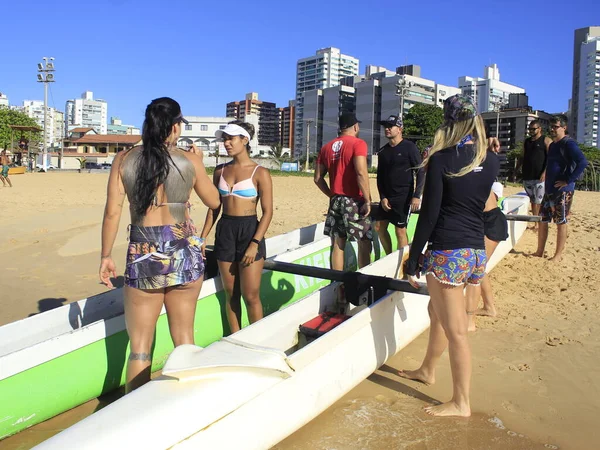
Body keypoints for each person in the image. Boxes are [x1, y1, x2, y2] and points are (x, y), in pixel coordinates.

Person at [99, 97, 220, 393]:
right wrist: (200, 165)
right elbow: (215, 201)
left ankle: (134, 415)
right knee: (185, 340)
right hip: (183, 248)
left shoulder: (124, 159)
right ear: (175, 126)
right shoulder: (189, 160)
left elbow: (113, 211)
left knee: (140, 347)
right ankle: (186, 406)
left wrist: (105, 256)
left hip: (144, 251)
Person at [400, 94, 499, 417]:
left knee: (456, 331)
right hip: (474, 252)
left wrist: (414, 258)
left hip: (447, 252)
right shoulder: (491, 159)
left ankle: (461, 403)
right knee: (436, 310)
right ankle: (428, 370)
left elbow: (429, 215)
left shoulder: (442, 159)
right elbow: (482, 205)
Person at [200, 121, 273, 334]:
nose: (226, 143)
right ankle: (235, 338)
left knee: (251, 295)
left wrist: (254, 244)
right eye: (224, 138)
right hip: (226, 229)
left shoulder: (260, 173)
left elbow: (267, 212)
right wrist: (203, 236)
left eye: (231, 138)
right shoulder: (220, 171)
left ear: (245, 140)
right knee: (231, 293)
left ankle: (257, 340)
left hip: (250, 230)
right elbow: (214, 207)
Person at [314, 112, 372, 271]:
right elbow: (361, 172)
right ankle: (364, 281)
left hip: (336, 200)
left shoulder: (326, 147)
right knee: (364, 240)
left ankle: (338, 285)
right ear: (355, 126)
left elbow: (318, 178)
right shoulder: (358, 143)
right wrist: (367, 200)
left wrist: (332, 194)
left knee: (338, 242)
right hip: (354, 199)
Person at [533, 115, 587, 261]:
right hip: (549, 189)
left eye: (555, 126)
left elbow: (582, 162)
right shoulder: (553, 145)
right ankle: (540, 251)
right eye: (551, 126)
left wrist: (568, 180)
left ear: (564, 127)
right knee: (543, 220)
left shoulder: (568, 144)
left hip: (563, 191)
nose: (552, 129)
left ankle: (557, 255)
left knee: (560, 222)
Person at [375, 115, 425, 256]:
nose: (387, 129)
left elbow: (420, 171)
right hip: (387, 197)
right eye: (386, 126)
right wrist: (383, 197)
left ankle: (403, 262)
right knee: (379, 227)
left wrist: (417, 196)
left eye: (391, 126)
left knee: (400, 230)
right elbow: (380, 177)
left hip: (404, 197)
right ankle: (390, 257)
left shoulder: (410, 147)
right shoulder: (383, 151)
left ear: (400, 129)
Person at [466, 181, 508, 330]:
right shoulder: (471, 174)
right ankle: (489, 308)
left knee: (475, 269)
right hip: (488, 221)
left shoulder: (468, 177)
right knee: (479, 268)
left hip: (491, 222)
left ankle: (470, 322)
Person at [522, 120, 551, 225]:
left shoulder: (546, 140)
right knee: (533, 201)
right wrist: (516, 170)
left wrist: (545, 172)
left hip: (540, 177)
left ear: (539, 129)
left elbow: (550, 158)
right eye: (530, 129)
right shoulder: (527, 142)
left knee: (539, 201)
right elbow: (523, 156)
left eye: (533, 129)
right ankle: (535, 223)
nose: (531, 131)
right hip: (527, 175)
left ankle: (539, 224)